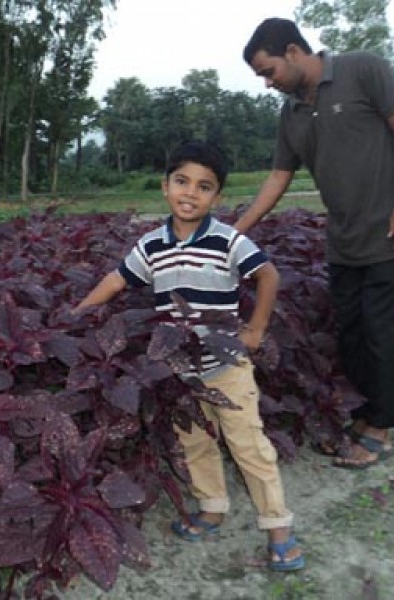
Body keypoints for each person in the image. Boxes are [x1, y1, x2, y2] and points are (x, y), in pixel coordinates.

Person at [74, 140, 304, 572]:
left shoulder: (228, 240)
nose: (190, 193)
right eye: (182, 182)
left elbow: (269, 275)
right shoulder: (152, 245)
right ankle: (212, 508)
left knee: (247, 443)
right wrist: (79, 311)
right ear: (165, 187)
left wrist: (255, 329)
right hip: (180, 368)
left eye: (203, 187)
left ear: (216, 197)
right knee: (195, 441)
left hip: (227, 364)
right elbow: (116, 280)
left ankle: (278, 528)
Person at [239, 18, 394, 470]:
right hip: (342, 242)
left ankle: (379, 431)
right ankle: (364, 418)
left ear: (293, 51)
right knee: (353, 337)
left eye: (269, 71)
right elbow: (279, 177)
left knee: (381, 335)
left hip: (388, 233)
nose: (268, 83)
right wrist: (238, 229)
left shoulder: (363, 69)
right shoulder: (292, 114)